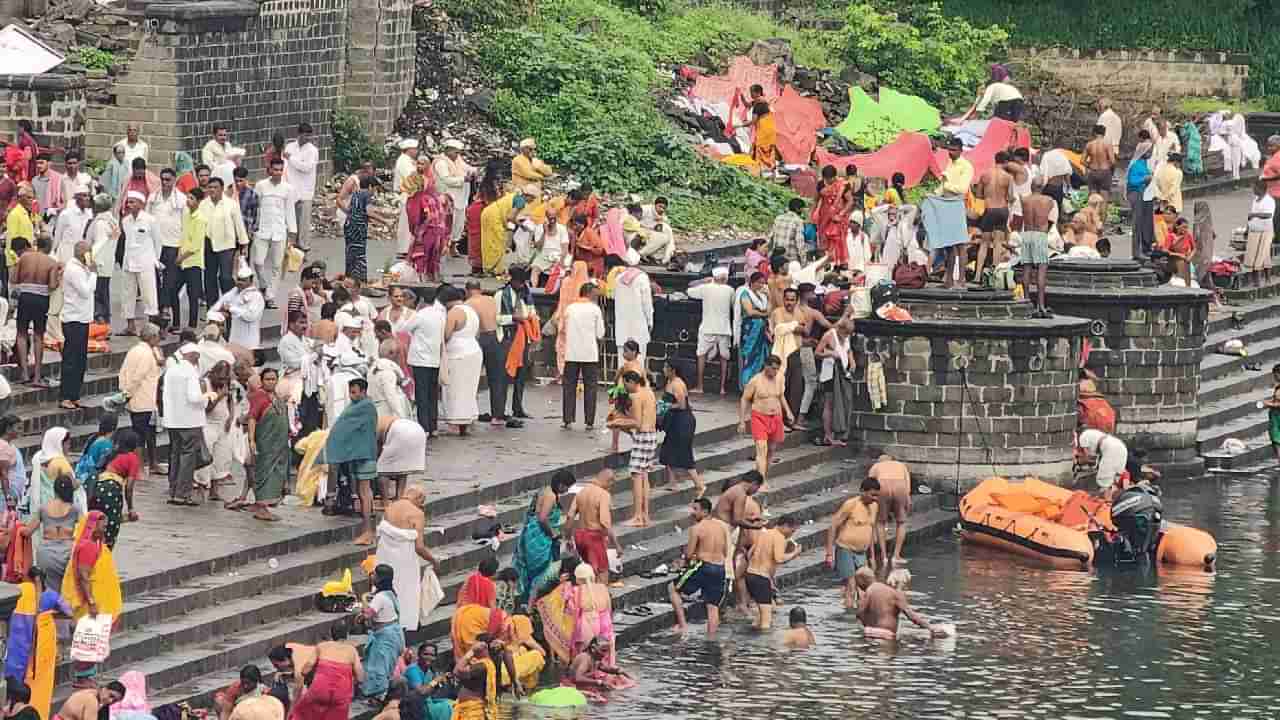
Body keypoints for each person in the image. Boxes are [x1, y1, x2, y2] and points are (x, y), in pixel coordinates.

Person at [62, 511, 123, 684]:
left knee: (93, 639)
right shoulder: (88, 546)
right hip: (92, 603)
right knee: (88, 639)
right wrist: (91, 601)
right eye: (102, 525)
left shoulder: (96, 544)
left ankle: (88, 676)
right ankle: (82, 679)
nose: (105, 528)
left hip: (100, 600)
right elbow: (83, 575)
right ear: (93, 526)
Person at [375, 485, 438, 635]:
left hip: (385, 554)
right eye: (422, 503)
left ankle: (383, 617)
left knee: (385, 586)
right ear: (419, 498)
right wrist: (434, 560)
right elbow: (419, 547)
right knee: (406, 589)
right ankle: (405, 621)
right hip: (405, 559)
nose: (422, 506)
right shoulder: (417, 514)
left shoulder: (390, 507)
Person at [669, 497, 729, 636]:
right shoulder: (721, 526)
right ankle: (711, 639)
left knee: (672, 588)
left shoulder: (696, 528)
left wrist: (688, 556)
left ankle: (683, 625)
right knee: (712, 607)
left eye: (695, 510)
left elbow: (689, 554)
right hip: (720, 567)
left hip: (703, 566)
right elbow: (725, 551)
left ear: (705, 511)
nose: (692, 513)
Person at [514, 469, 574, 607]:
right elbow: (542, 518)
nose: (566, 490)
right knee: (540, 569)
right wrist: (553, 534)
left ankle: (529, 600)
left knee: (532, 569)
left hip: (534, 534)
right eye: (566, 487)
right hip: (539, 537)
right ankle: (533, 602)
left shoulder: (546, 490)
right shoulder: (551, 495)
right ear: (560, 485)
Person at [325, 377, 378, 523]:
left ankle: (366, 520)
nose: (351, 396)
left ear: (363, 391)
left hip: (364, 453)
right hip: (354, 450)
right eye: (350, 392)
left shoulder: (366, 406)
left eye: (354, 392)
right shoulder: (354, 405)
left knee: (364, 489)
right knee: (360, 486)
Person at [608, 370, 656, 527]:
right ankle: (645, 515)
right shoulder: (648, 392)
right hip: (651, 437)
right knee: (644, 476)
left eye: (625, 384)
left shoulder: (636, 396)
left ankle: (637, 516)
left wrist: (616, 423)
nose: (625, 388)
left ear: (631, 382)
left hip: (643, 436)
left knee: (636, 476)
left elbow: (637, 423)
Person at [289, 620, 364, 720]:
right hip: (341, 692)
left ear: (331, 633)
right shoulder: (352, 651)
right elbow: (360, 677)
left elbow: (306, 668)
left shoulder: (322, 646)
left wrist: (306, 673)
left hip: (320, 688)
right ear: (346, 634)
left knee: (301, 713)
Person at [826, 477, 882, 609]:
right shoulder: (851, 504)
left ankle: (860, 616)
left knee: (865, 588)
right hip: (845, 549)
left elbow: (871, 530)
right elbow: (833, 526)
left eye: (877, 495)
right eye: (872, 495)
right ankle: (848, 619)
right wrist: (829, 553)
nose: (875, 498)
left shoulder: (875, 506)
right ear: (862, 491)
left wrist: (872, 557)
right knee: (851, 587)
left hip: (862, 552)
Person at [164, 343, 210, 506]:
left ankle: (173, 490)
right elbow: (194, 397)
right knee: (187, 458)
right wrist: (207, 396)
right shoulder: (190, 372)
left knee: (175, 455)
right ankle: (182, 493)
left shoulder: (172, 370)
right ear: (194, 356)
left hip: (173, 421)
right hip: (190, 421)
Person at [119, 323, 165, 475]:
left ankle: (153, 464)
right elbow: (138, 377)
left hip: (145, 400)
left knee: (150, 433)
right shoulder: (145, 354)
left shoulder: (136, 350)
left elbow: (123, 372)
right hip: (143, 399)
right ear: (151, 337)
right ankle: (137, 468)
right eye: (157, 336)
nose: (159, 339)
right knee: (140, 435)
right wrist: (127, 393)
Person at [740, 354, 792, 484]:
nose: (775, 372)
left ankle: (762, 478)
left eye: (777, 369)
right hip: (759, 417)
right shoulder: (755, 381)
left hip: (776, 417)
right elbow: (744, 399)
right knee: (761, 449)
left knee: (771, 450)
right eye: (773, 369)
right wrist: (741, 421)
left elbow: (781, 396)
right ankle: (760, 482)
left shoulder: (779, 378)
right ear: (766, 366)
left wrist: (788, 412)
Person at [11, 234, 56, 386]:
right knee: (38, 336)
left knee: (22, 333)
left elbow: (13, 279)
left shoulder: (24, 257)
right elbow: (52, 285)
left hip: (25, 297)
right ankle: (36, 376)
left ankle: (24, 373)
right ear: (49, 246)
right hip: (42, 299)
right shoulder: (52, 262)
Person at [201, 175, 251, 308]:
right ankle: (212, 308)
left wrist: (244, 244)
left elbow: (239, 225)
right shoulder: (204, 204)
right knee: (209, 277)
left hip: (226, 245)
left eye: (215, 187)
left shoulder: (231, 204)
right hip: (208, 244)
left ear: (222, 189)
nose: (212, 190)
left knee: (226, 277)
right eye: (210, 187)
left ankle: (230, 305)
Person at [252, 157, 296, 307]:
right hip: (262, 230)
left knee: (277, 266)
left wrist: (292, 232)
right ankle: (263, 285)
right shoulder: (261, 186)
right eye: (275, 170)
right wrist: (253, 227)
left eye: (280, 170)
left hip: (279, 231)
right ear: (269, 170)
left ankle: (270, 296)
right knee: (258, 262)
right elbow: (255, 207)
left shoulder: (288, 189)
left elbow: (290, 211)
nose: (277, 173)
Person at [438, 285, 482, 434]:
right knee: (469, 389)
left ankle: (455, 423)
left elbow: (447, 335)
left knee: (455, 389)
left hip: (458, 354)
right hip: (474, 351)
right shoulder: (470, 310)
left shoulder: (454, 313)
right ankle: (467, 421)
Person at [565, 469, 621, 584]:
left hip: (579, 536)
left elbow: (570, 516)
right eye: (611, 484)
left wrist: (568, 538)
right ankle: (600, 598)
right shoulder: (603, 495)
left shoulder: (581, 492)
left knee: (589, 573)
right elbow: (605, 523)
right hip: (594, 538)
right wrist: (617, 545)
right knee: (602, 573)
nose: (611, 487)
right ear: (609, 481)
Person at [561, 282, 605, 429]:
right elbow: (600, 334)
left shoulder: (570, 308)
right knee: (591, 387)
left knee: (569, 386)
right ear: (589, 293)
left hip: (571, 353)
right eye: (595, 292)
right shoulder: (595, 309)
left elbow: (563, 328)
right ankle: (589, 421)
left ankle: (567, 419)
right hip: (589, 354)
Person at [745, 516, 801, 630]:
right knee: (766, 619)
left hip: (750, 574)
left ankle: (751, 638)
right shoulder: (779, 537)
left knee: (760, 616)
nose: (792, 534)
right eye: (792, 531)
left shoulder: (764, 533)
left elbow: (749, 554)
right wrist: (795, 553)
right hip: (761, 577)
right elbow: (779, 558)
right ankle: (765, 645)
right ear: (785, 526)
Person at [58, 240, 94, 409]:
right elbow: (85, 292)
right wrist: (93, 274)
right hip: (73, 320)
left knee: (80, 360)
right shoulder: (74, 270)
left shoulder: (82, 268)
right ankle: (66, 396)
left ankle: (74, 394)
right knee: (71, 359)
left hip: (82, 318)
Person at [360, 564, 406, 698]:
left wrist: (363, 601)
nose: (372, 576)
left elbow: (368, 614)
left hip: (385, 637)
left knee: (379, 668)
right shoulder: (390, 593)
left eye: (374, 574)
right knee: (385, 666)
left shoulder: (380, 597)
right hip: (391, 635)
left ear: (380, 578)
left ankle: (379, 696)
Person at [687, 268, 735, 394]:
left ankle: (700, 386)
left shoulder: (706, 287)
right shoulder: (730, 290)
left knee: (701, 355)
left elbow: (689, 289)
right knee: (724, 357)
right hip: (724, 329)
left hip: (708, 327)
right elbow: (733, 304)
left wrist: (703, 281)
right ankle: (722, 388)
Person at [338, 175, 393, 283]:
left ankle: (349, 278)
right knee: (360, 254)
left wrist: (372, 221)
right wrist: (386, 221)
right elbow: (369, 212)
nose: (375, 192)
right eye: (375, 189)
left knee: (350, 252)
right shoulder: (366, 195)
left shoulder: (356, 193)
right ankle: (361, 281)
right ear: (370, 186)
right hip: (358, 228)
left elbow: (355, 210)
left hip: (349, 225)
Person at [1021, 177, 1057, 317]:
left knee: (1027, 268)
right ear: (1042, 187)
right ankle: (1040, 306)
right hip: (1040, 235)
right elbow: (1051, 218)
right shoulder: (1048, 200)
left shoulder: (1024, 200)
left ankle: (1025, 301)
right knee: (1041, 271)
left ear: (1031, 186)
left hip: (1027, 234)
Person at [974, 151, 1013, 279]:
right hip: (1002, 210)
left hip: (989, 209)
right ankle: (994, 275)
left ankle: (978, 275)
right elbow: (1010, 197)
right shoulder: (1008, 177)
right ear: (1006, 162)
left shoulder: (985, 175)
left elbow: (978, 195)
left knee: (984, 243)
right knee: (998, 243)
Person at [283, 122, 318, 251]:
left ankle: (303, 249)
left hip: (305, 192)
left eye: (309, 136)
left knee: (303, 224)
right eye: (305, 135)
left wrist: (291, 158)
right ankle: (290, 249)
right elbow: (285, 166)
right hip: (291, 189)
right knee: (291, 222)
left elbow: (306, 167)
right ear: (299, 134)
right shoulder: (290, 147)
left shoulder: (312, 151)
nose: (307, 138)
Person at [433, 138, 473, 250]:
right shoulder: (441, 162)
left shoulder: (457, 160)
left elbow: (466, 167)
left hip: (461, 197)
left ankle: (453, 246)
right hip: (448, 197)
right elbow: (446, 180)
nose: (457, 155)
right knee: (447, 223)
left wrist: (474, 171)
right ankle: (442, 246)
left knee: (459, 223)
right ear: (448, 151)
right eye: (456, 152)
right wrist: (463, 179)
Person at [735, 272, 771, 390]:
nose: (761, 285)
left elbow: (769, 309)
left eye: (763, 282)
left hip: (762, 330)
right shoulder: (745, 294)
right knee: (749, 357)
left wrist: (769, 297)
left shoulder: (762, 296)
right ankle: (746, 385)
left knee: (762, 357)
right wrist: (764, 314)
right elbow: (749, 311)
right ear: (752, 282)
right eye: (759, 282)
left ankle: (757, 386)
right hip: (750, 330)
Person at [403, 643, 455, 720]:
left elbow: (432, 690)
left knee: (454, 704)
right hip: (414, 708)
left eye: (432, 655)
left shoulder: (429, 671)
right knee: (447, 708)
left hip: (427, 703)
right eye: (426, 654)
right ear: (419, 655)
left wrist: (443, 681)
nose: (429, 657)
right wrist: (437, 680)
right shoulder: (413, 670)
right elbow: (421, 692)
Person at [1078, 427, 1129, 500]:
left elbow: (1087, 455)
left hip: (1111, 449)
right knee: (1114, 480)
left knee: (1104, 482)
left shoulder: (1082, 437)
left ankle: (1106, 503)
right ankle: (1113, 501)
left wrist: (1081, 462)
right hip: (1122, 448)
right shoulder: (1095, 433)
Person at [812, 166, 850, 267]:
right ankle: (826, 264)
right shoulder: (820, 184)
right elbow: (816, 200)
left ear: (835, 177)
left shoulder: (843, 185)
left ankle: (839, 264)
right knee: (824, 240)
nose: (828, 181)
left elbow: (850, 201)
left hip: (838, 218)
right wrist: (811, 214)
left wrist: (841, 214)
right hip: (824, 217)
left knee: (837, 240)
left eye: (830, 179)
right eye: (826, 179)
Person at [1127, 134, 1155, 262]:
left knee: (1144, 223)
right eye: (1149, 151)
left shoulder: (1144, 164)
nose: (1150, 153)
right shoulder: (1135, 164)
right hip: (1136, 194)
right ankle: (1136, 252)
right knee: (1137, 224)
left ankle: (1143, 248)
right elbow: (1132, 181)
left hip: (1143, 195)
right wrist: (1145, 179)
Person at [55, 683, 126, 720]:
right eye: (111, 696)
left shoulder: (95, 693)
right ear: (104, 689)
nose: (111, 701)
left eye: (115, 700)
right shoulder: (91, 700)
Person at [1246, 181, 1275, 271]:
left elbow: (1268, 215)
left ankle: (1260, 279)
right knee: (1260, 256)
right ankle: (1264, 278)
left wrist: (1254, 215)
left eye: (1254, 188)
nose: (1253, 190)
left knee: (1261, 256)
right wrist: (1247, 228)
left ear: (1260, 189)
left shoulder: (1269, 200)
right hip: (1254, 229)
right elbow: (1251, 215)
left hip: (1265, 231)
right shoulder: (1255, 200)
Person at [1161, 216, 1195, 287]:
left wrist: (1190, 257)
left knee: (1185, 262)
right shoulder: (1170, 236)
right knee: (1181, 261)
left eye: (1187, 227)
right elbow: (1165, 250)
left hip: (1185, 260)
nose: (1185, 230)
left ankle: (1188, 286)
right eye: (1184, 227)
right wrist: (1178, 255)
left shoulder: (1188, 235)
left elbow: (1194, 249)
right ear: (1177, 226)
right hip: (1172, 261)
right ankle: (1181, 280)